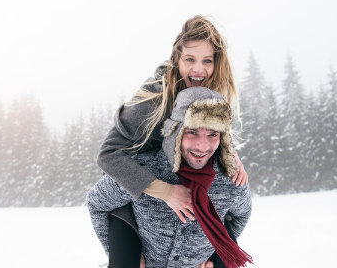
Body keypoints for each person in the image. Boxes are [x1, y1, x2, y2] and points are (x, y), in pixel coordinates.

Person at [97, 15, 248, 267]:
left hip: (185, 192)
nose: (198, 70)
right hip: (135, 196)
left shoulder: (209, 95)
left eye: (207, 61)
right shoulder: (154, 99)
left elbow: (208, 134)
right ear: (176, 59)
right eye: (190, 60)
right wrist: (165, 191)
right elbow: (107, 155)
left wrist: (229, 154)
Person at [88, 87, 253, 268]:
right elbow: (97, 204)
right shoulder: (141, 170)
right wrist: (118, 255)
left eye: (213, 134)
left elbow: (240, 215)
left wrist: (215, 254)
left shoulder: (230, 179)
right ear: (175, 131)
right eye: (193, 132)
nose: (203, 146)